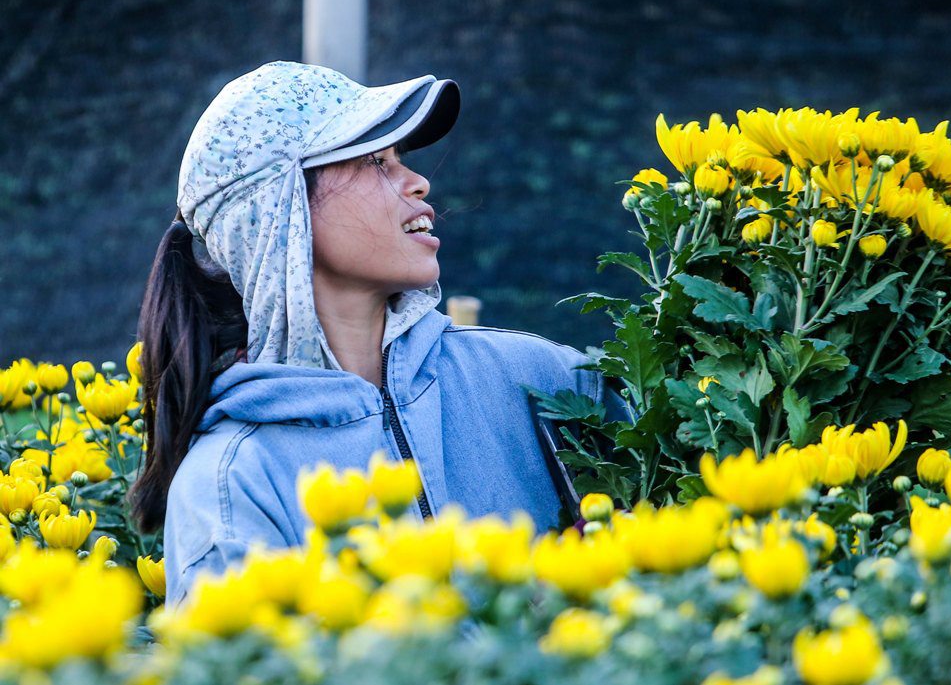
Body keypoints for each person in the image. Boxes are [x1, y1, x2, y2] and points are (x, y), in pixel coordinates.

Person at [127, 60, 628, 607]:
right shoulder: (232, 483)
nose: (419, 182)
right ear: (281, 207)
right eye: (376, 161)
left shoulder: (536, 379)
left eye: (401, 159)